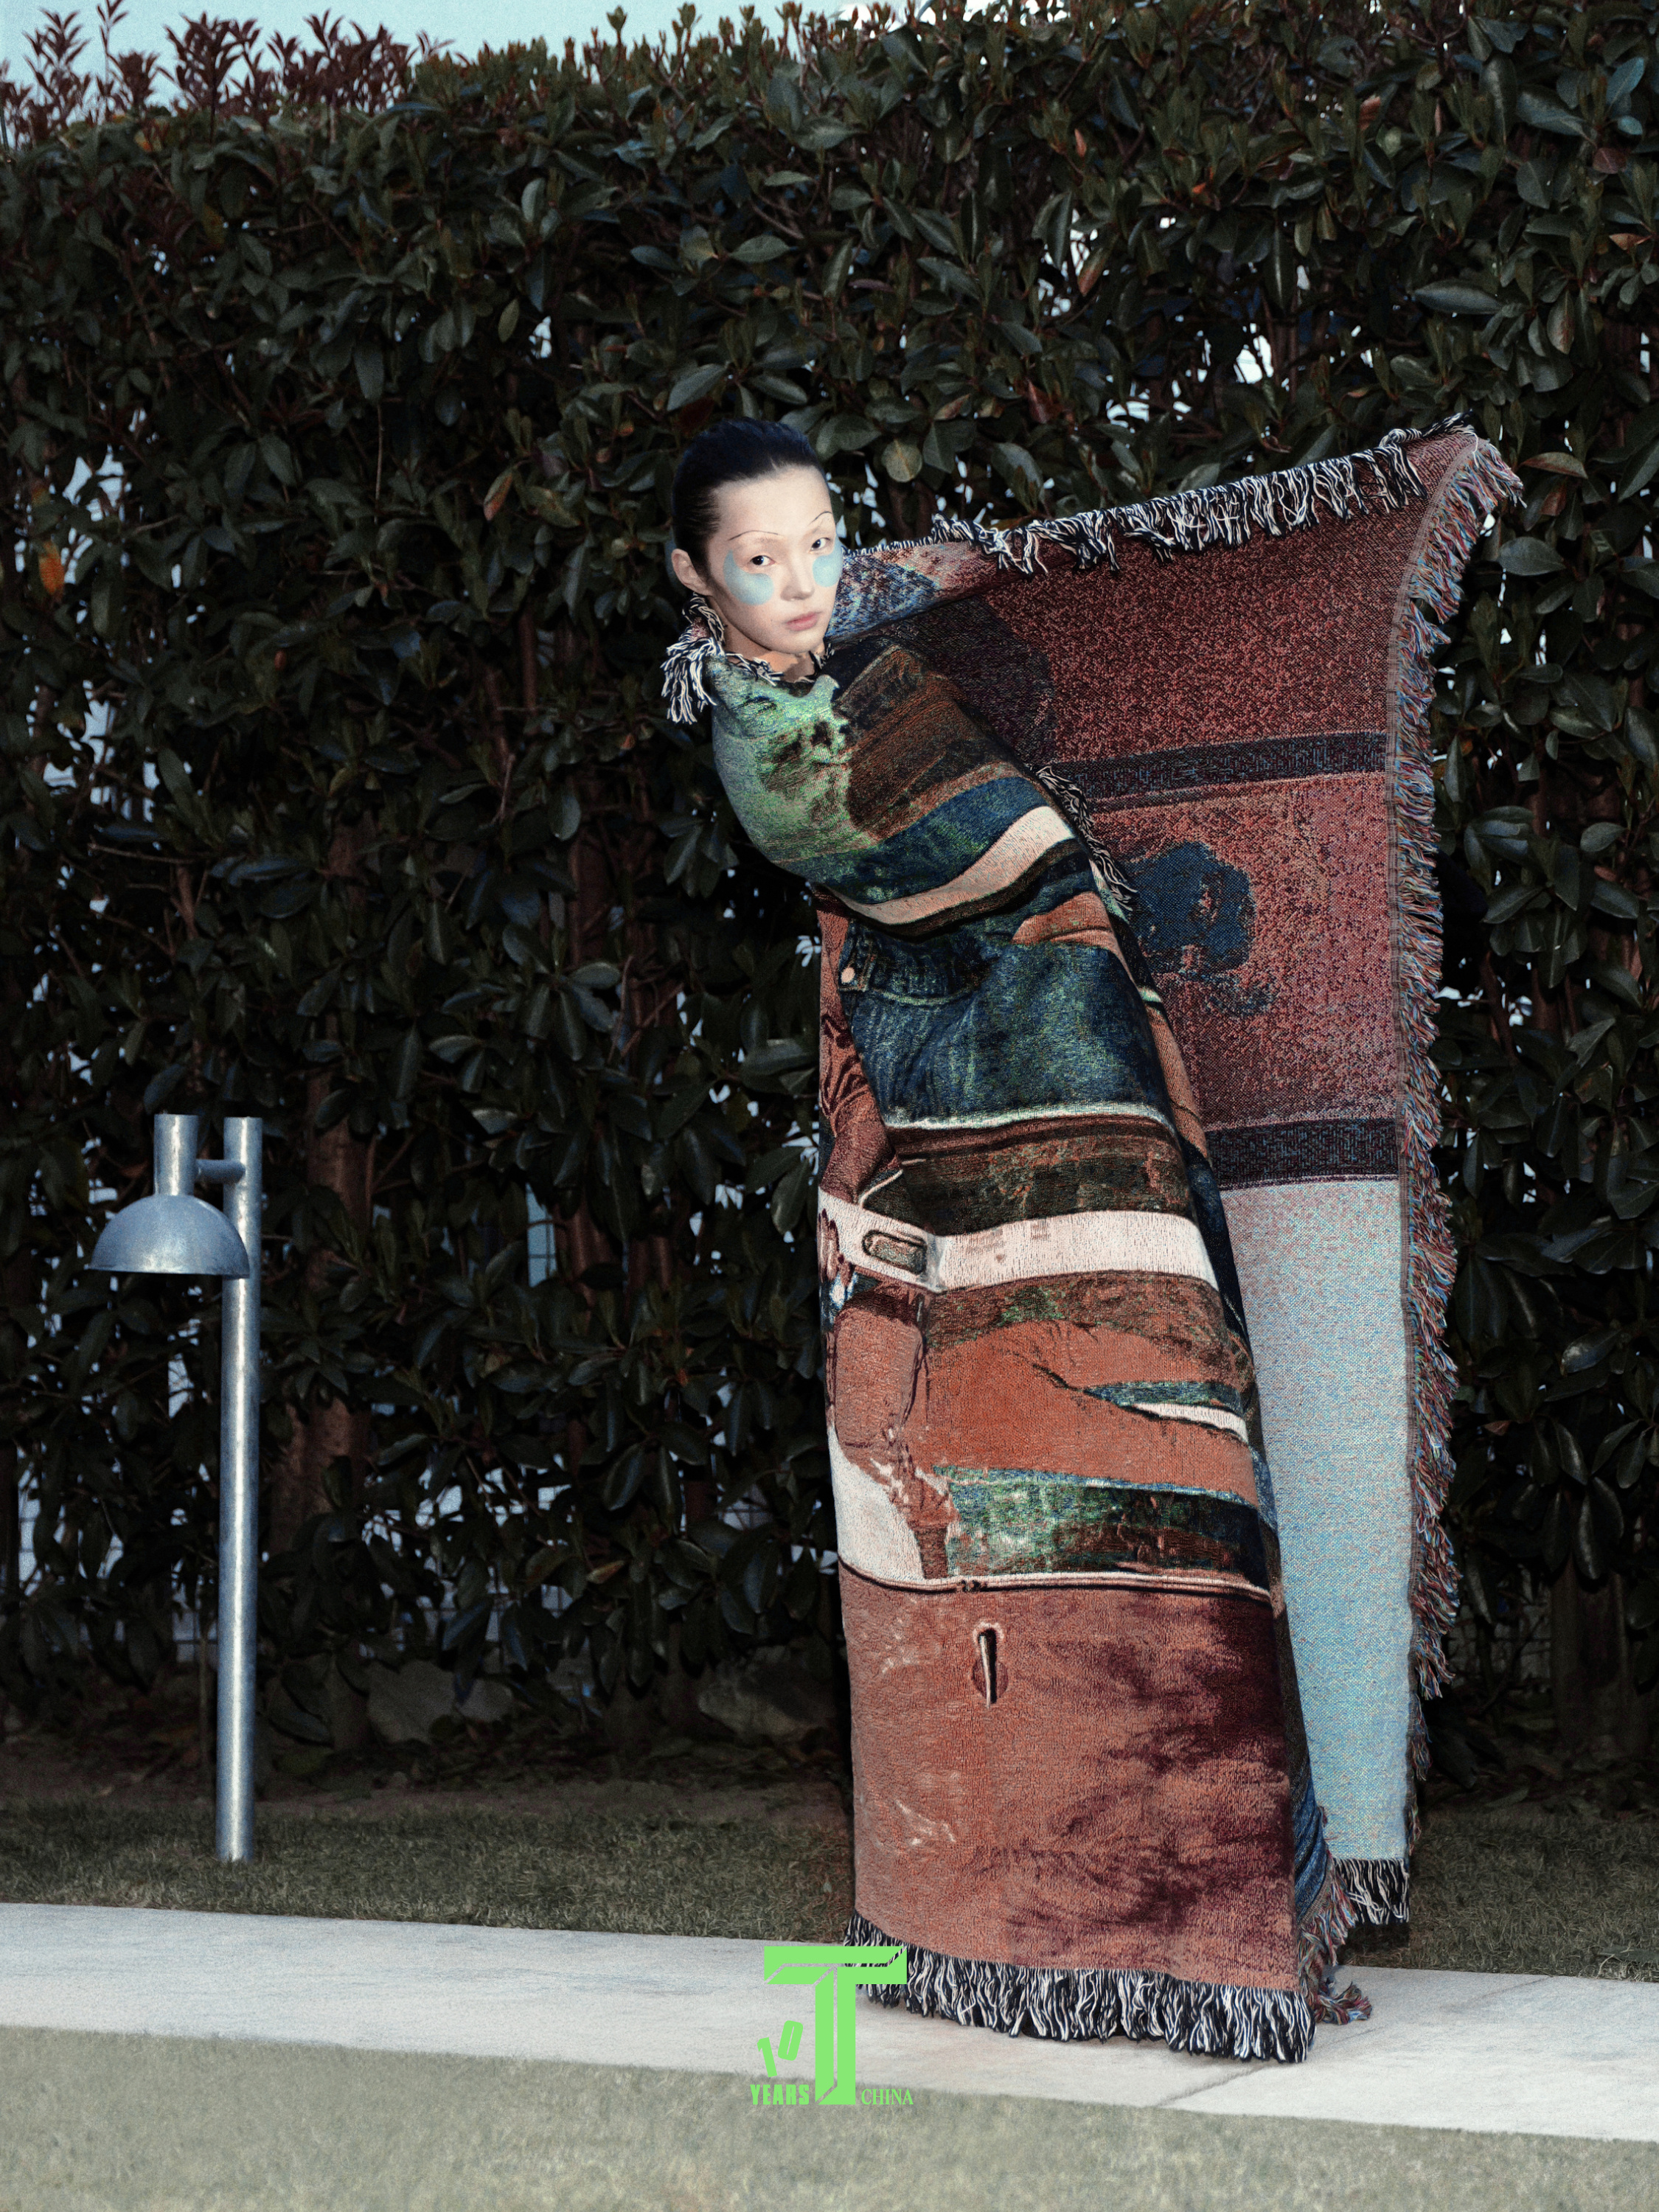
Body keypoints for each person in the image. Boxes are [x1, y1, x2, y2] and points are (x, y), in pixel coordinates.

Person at [663, 417, 1360, 2063]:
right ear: (694, 577)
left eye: (819, 542)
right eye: (757, 558)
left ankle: (1218, 1930)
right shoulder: (772, 738)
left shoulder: (885, 649)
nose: (799, 581)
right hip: (945, 1168)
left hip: (1088, 1145)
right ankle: (1021, 1932)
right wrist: (1040, 847)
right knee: (985, 1526)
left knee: (1189, 1498)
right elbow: (970, 847)